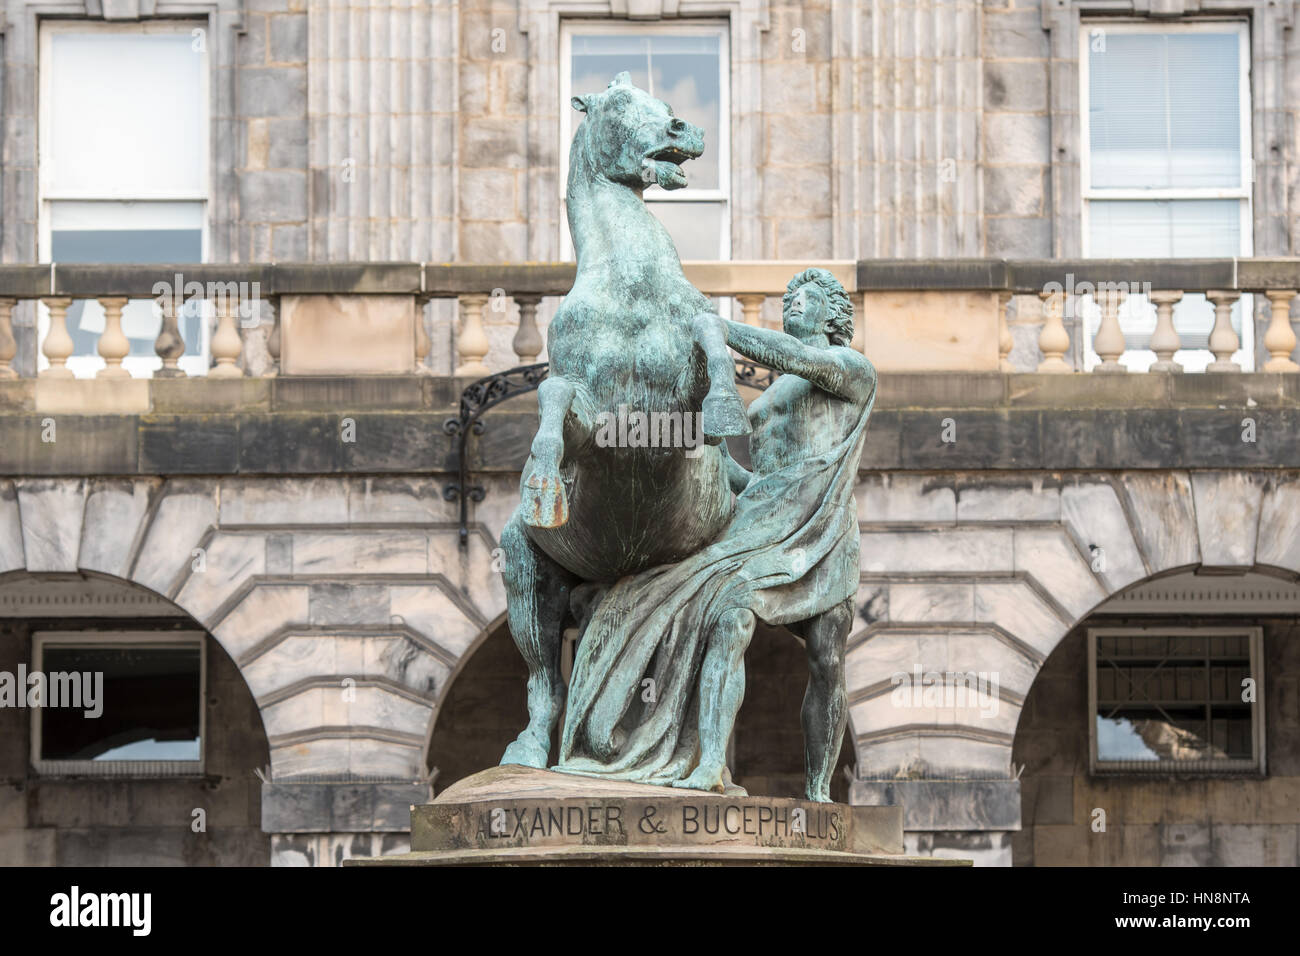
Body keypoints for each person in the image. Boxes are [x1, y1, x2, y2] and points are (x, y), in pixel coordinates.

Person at [553, 268, 876, 803]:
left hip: (817, 529)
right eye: (789, 298)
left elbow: (798, 358)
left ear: (833, 314)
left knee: (827, 658)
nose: (794, 305)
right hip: (758, 522)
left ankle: (819, 791)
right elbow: (759, 483)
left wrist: (714, 326)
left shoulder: (850, 369)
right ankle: (708, 765)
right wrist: (712, 459)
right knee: (726, 614)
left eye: (809, 298)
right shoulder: (772, 396)